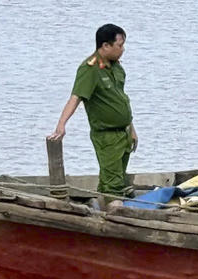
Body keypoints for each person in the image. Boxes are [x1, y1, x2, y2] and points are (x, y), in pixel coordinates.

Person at [48, 24, 137, 198]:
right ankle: (114, 216)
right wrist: (61, 125)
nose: (123, 49)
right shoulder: (90, 69)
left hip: (124, 133)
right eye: (119, 45)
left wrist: (131, 129)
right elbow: (76, 97)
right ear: (105, 46)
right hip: (107, 136)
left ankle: (101, 207)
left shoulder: (116, 67)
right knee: (114, 184)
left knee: (111, 180)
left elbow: (121, 99)